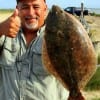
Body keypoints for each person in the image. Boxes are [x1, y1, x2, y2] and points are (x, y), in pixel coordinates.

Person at [0, 0, 69, 100]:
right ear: (17, 9)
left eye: (36, 7)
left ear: (45, 9)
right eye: (25, 7)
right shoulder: (4, 34)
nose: (31, 13)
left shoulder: (60, 36)